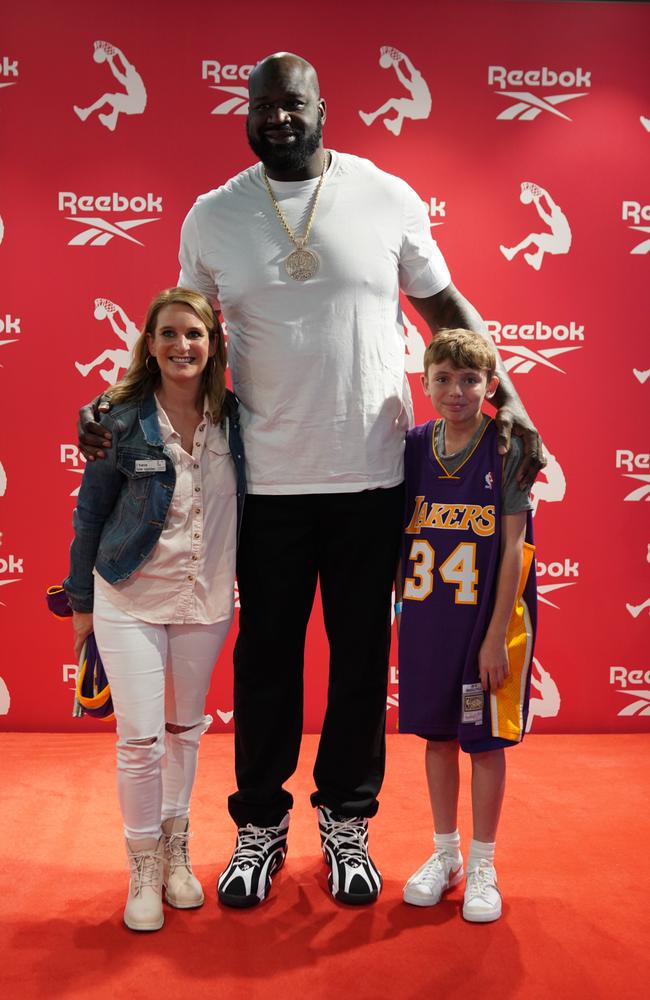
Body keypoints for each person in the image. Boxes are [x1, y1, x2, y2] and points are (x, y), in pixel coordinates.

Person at [79, 52, 544, 910]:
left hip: (371, 477)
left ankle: (347, 824)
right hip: (263, 483)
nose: (278, 118)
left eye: (293, 104)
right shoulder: (214, 215)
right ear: (248, 114)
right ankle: (259, 825)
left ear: (322, 107)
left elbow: (445, 309)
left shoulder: (384, 195)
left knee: (362, 661)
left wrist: (510, 402)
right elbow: (178, 329)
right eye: (263, 107)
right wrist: (116, 395)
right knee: (266, 665)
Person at [66, 288, 245, 931]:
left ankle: (176, 854)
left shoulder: (237, 420)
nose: (182, 346)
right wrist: (83, 606)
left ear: (213, 343)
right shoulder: (118, 419)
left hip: (205, 599)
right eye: (168, 334)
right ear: (149, 343)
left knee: (184, 732)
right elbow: (90, 513)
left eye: (194, 334)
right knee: (139, 740)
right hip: (130, 596)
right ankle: (142, 867)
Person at [397, 329, 536, 923]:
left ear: (490, 386)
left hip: (487, 620)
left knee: (483, 740)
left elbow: (512, 549)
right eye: (445, 378)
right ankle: (445, 852)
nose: (457, 391)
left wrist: (494, 635)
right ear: (425, 382)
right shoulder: (410, 446)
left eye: (470, 379)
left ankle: (484, 861)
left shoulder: (504, 448)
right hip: (429, 619)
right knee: (436, 735)